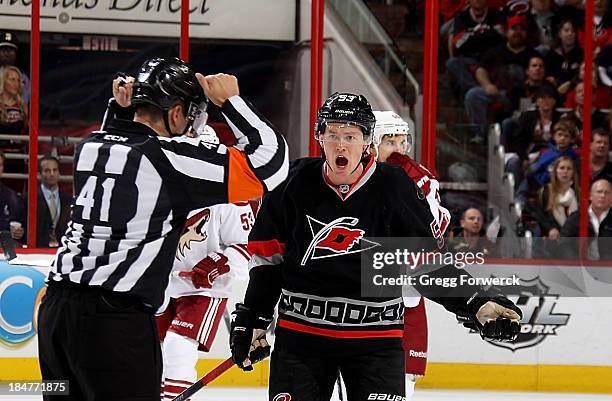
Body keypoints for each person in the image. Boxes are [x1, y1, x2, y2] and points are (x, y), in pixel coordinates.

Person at [230, 92, 521, 401]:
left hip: (375, 343)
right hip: (301, 340)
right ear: (320, 136)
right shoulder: (292, 182)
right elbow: (268, 261)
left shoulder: (393, 187)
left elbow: (424, 264)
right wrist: (254, 318)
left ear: (367, 139)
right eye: (333, 134)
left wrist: (476, 301)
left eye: (351, 136)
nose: (341, 145)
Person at [37, 57, 288, 401]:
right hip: (114, 325)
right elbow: (271, 165)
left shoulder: (90, 147)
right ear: (175, 114)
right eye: (191, 115)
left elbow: (124, 143)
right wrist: (231, 102)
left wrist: (120, 109)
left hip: (55, 318)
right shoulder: (172, 159)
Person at [156, 126, 257, 400]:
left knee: (178, 347)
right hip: (161, 285)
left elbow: (247, 245)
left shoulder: (231, 195)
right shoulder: (161, 187)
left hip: (203, 290)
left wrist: (219, 262)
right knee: (152, 353)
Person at [559, 178, 612, 260]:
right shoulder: (576, 217)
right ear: (590, 196)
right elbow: (563, 243)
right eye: (599, 192)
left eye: (607, 193)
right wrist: (576, 264)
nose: (603, 195)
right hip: (580, 268)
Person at [34, 155, 71, 248]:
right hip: (39, 250)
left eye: (55, 170)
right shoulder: (29, 198)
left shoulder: (69, 200)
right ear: (39, 174)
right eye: (47, 170)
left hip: (63, 249)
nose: (52, 174)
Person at [0, 149, 24, 243]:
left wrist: (21, 232)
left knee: (13, 250)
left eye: (0, 165)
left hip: (5, 245)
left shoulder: (11, 196)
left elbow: (21, 223)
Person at [0, 31, 30, 103]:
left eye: (11, 50)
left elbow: (23, 103)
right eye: (3, 50)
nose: (7, 54)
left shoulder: (22, 77)